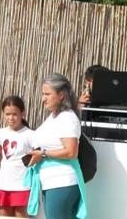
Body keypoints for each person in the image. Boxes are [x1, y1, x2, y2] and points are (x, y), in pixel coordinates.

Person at [25, 73, 88, 219]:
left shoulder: (67, 118)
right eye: (42, 94)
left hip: (62, 181)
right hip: (50, 181)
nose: (43, 99)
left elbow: (71, 152)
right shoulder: (54, 117)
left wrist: (43, 154)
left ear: (61, 94)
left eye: (47, 94)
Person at [0, 96, 34, 218]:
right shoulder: (1, 133)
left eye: (14, 114)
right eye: (7, 114)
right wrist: (6, 166)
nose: (11, 118)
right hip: (4, 184)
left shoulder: (30, 135)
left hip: (23, 185)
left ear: (23, 113)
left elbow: (36, 156)